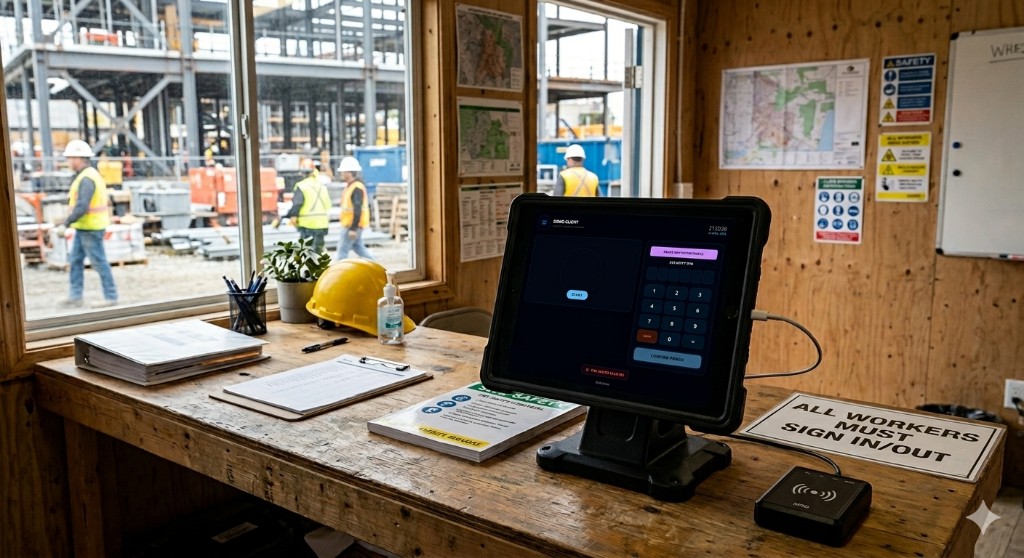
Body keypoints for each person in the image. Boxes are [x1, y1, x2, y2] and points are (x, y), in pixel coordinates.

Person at [59, 139, 118, 308]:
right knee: (76, 261)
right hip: (84, 227)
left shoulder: (87, 179)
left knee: (99, 262)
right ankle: (75, 295)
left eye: (70, 158)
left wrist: (66, 223)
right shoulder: (86, 176)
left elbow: (82, 206)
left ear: (78, 158)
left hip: (91, 228)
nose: (68, 161)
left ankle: (111, 296)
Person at [280, 160, 332, 253]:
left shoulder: (301, 186)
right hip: (322, 224)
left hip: (308, 225)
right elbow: (328, 205)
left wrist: (289, 216)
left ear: (302, 173)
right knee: (318, 252)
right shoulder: (322, 186)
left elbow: (297, 204)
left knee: (307, 253)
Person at [333, 156, 374, 262]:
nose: (341, 173)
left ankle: (339, 275)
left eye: (343, 171)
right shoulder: (351, 186)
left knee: (342, 252)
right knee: (359, 248)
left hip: (351, 226)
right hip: (351, 225)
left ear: (349, 172)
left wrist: (353, 228)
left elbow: (357, 209)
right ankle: (376, 266)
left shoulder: (356, 188)